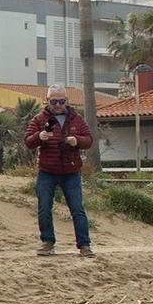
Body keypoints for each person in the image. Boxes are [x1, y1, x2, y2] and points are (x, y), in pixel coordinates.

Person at [25, 86, 96, 258]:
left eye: (61, 101)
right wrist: (39, 137)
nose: (58, 105)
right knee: (44, 208)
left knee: (77, 209)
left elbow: (89, 140)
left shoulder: (76, 119)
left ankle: (84, 245)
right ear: (47, 100)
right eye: (53, 101)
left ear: (67, 100)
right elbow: (28, 141)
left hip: (71, 171)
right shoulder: (39, 119)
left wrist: (76, 140)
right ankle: (47, 242)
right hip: (47, 171)